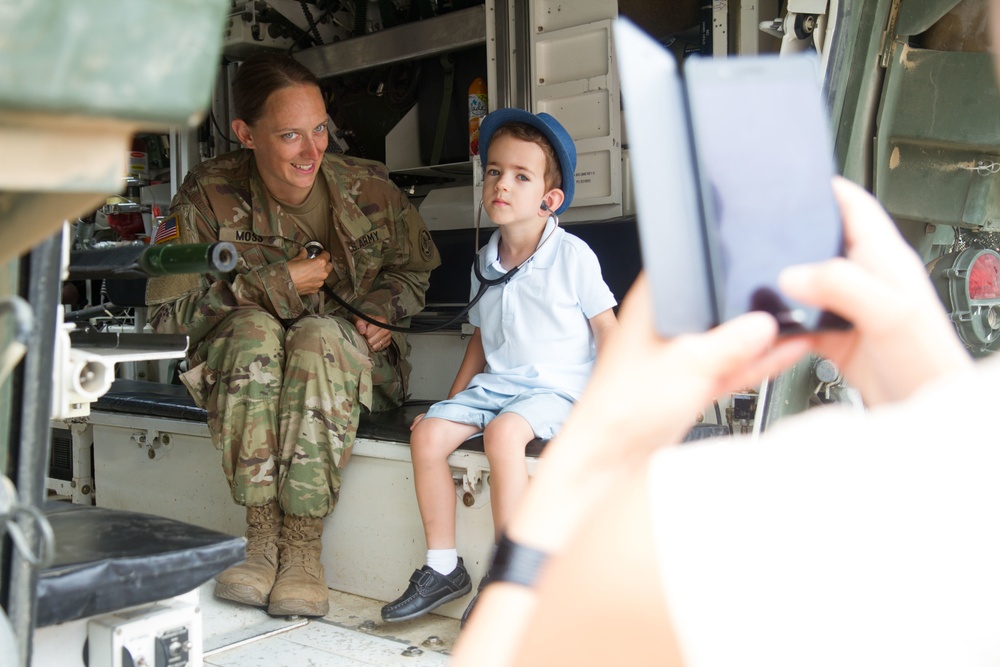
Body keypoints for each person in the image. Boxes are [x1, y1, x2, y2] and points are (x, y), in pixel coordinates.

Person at [451, 76, 1000, 667]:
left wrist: (596, 443)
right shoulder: (966, 472)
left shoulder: (692, 516)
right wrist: (937, 392)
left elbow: (507, 652)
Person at [145, 53, 440, 618]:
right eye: (289, 136)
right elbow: (167, 318)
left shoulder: (368, 187)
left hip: (349, 369)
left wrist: (382, 308)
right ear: (245, 134)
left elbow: (416, 270)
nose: (312, 151)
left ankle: (302, 550)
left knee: (316, 339)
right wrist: (273, 284)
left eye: (320, 129)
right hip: (242, 372)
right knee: (256, 331)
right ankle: (261, 543)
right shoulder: (206, 195)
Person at [380, 109, 618, 623]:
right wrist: (449, 402)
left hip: (555, 390)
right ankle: (444, 567)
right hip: (495, 387)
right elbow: (483, 341)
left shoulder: (572, 256)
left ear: (548, 200)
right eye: (493, 171)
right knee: (427, 435)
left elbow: (609, 333)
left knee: (505, 435)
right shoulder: (485, 263)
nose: (501, 184)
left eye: (520, 176)